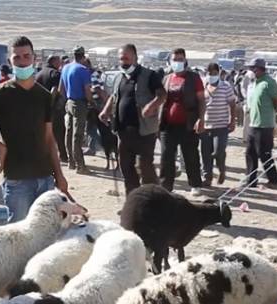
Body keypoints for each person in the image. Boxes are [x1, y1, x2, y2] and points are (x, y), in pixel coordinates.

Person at [0, 36, 68, 223]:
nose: (22, 62)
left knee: (46, 233)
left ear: (34, 59)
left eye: (26, 56)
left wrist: (59, 175)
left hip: (45, 179)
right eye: (17, 58)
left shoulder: (44, 97)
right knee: (19, 236)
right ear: (9, 61)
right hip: (17, 180)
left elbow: (48, 139)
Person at [99, 44, 166, 195]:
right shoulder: (119, 77)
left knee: (145, 167)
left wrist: (152, 106)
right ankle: (133, 201)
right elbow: (114, 96)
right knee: (126, 168)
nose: (123, 62)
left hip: (144, 131)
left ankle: (155, 199)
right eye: (121, 58)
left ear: (135, 57)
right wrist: (105, 110)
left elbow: (162, 94)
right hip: (123, 132)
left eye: (126, 58)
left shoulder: (149, 75)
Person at [159, 48, 205, 195]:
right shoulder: (167, 78)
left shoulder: (193, 78)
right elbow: (161, 100)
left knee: (190, 155)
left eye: (180, 59)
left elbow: (201, 100)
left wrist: (201, 119)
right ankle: (166, 185)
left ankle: (195, 184)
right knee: (166, 156)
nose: (177, 62)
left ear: (185, 61)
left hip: (188, 124)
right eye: (175, 60)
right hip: (168, 125)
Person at [244, 57, 277, 188]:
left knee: (264, 153)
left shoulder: (269, 82)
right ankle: (251, 180)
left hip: (265, 125)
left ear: (259, 69)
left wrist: (270, 114)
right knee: (250, 153)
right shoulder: (254, 83)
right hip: (253, 123)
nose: (250, 71)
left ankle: (273, 179)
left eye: (252, 68)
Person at [200, 62, 236, 187]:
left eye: (214, 73)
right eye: (210, 73)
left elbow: (232, 104)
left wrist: (232, 121)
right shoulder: (203, 86)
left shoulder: (225, 86)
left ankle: (221, 169)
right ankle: (207, 177)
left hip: (221, 126)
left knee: (218, 152)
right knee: (205, 153)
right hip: (205, 126)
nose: (212, 76)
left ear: (219, 73)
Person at [60, 46, 93, 174]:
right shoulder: (83, 70)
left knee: (68, 133)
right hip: (80, 104)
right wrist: (91, 102)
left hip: (68, 102)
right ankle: (80, 165)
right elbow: (87, 91)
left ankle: (71, 162)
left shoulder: (65, 68)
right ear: (83, 56)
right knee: (77, 135)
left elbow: (60, 89)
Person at [35, 55, 67, 162]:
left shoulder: (39, 74)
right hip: (53, 108)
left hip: (40, 108)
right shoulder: (55, 74)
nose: (60, 64)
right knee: (59, 132)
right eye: (59, 62)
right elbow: (54, 90)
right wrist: (51, 103)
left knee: (43, 132)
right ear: (53, 62)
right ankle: (63, 155)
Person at [85, 62, 106, 155]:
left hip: (95, 103)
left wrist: (104, 103)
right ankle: (92, 148)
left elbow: (98, 89)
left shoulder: (92, 75)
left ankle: (103, 145)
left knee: (91, 127)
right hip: (95, 103)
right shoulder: (92, 74)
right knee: (93, 127)